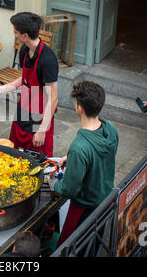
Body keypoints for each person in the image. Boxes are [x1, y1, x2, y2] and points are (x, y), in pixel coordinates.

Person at [51, 81, 119, 249]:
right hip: (104, 203)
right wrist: (73, 159)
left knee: (69, 250)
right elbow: (102, 157)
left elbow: (69, 189)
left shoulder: (79, 147)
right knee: (93, 247)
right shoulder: (110, 129)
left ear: (79, 108)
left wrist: (54, 184)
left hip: (84, 211)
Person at [0, 12, 58, 157]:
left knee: (37, 162)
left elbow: (54, 98)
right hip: (23, 109)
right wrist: (1, 89)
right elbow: (24, 79)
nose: (14, 34)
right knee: (14, 155)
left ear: (24, 35)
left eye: (15, 31)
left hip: (40, 116)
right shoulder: (24, 50)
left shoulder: (48, 60)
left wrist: (42, 130)